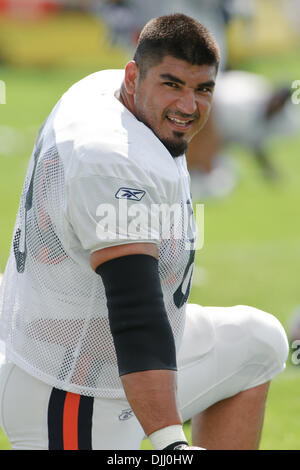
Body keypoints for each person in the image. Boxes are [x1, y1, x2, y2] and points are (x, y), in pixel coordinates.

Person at [0, 14, 288, 450]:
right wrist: (172, 443)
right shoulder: (111, 158)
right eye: (172, 84)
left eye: (203, 88)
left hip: (86, 342)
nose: (189, 106)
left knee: (257, 342)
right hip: (70, 390)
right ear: (133, 76)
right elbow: (136, 312)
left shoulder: (113, 92)